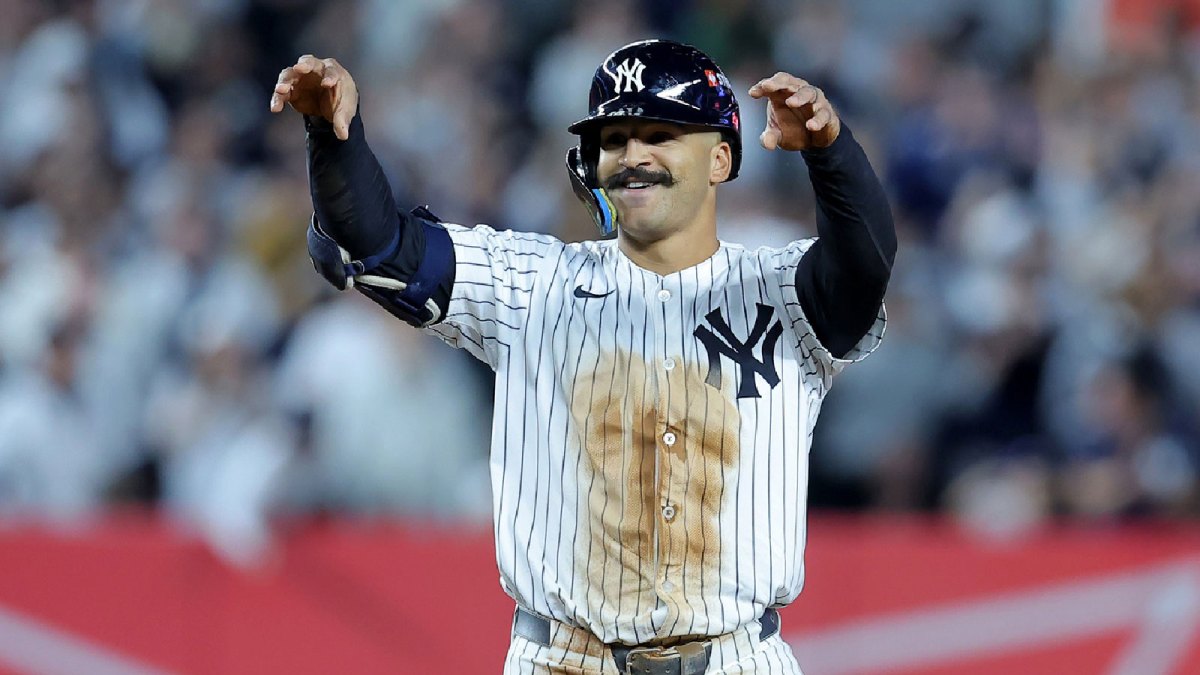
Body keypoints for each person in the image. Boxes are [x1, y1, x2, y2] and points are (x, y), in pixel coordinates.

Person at [271, 39, 894, 675]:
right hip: (566, 657)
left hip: (738, 656)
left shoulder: (782, 291)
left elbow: (866, 264)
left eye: (661, 134)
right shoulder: (530, 284)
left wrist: (830, 153)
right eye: (615, 140)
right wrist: (331, 132)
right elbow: (378, 242)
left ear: (721, 158)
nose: (634, 157)